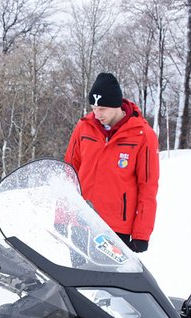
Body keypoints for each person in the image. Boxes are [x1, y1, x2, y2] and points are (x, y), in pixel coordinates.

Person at [64, 72, 160, 253]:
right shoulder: (84, 127)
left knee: (106, 280)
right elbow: (69, 173)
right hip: (81, 220)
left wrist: (141, 234)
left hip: (115, 229)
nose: (96, 114)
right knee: (77, 279)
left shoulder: (142, 135)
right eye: (93, 108)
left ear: (116, 106)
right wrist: (62, 216)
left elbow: (148, 186)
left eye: (102, 109)